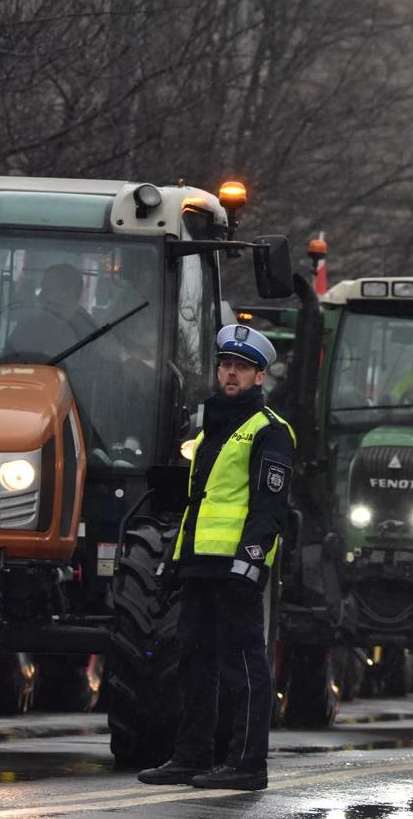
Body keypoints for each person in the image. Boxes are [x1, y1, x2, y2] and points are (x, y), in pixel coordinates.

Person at [138, 323, 296, 792]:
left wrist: (249, 562)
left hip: (236, 569)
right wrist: (174, 558)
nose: (231, 373)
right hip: (200, 563)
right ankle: (191, 756)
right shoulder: (208, 429)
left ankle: (248, 763)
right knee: (193, 661)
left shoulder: (270, 432)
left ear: (259, 377)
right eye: (226, 364)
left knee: (243, 663)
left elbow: (270, 509)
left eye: (242, 368)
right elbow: (199, 501)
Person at [6, 262, 92, 360]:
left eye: (47, 289)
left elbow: (92, 372)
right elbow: (5, 363)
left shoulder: (91, 332)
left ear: (69, 292)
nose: (40, 296)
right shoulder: (29, 326)